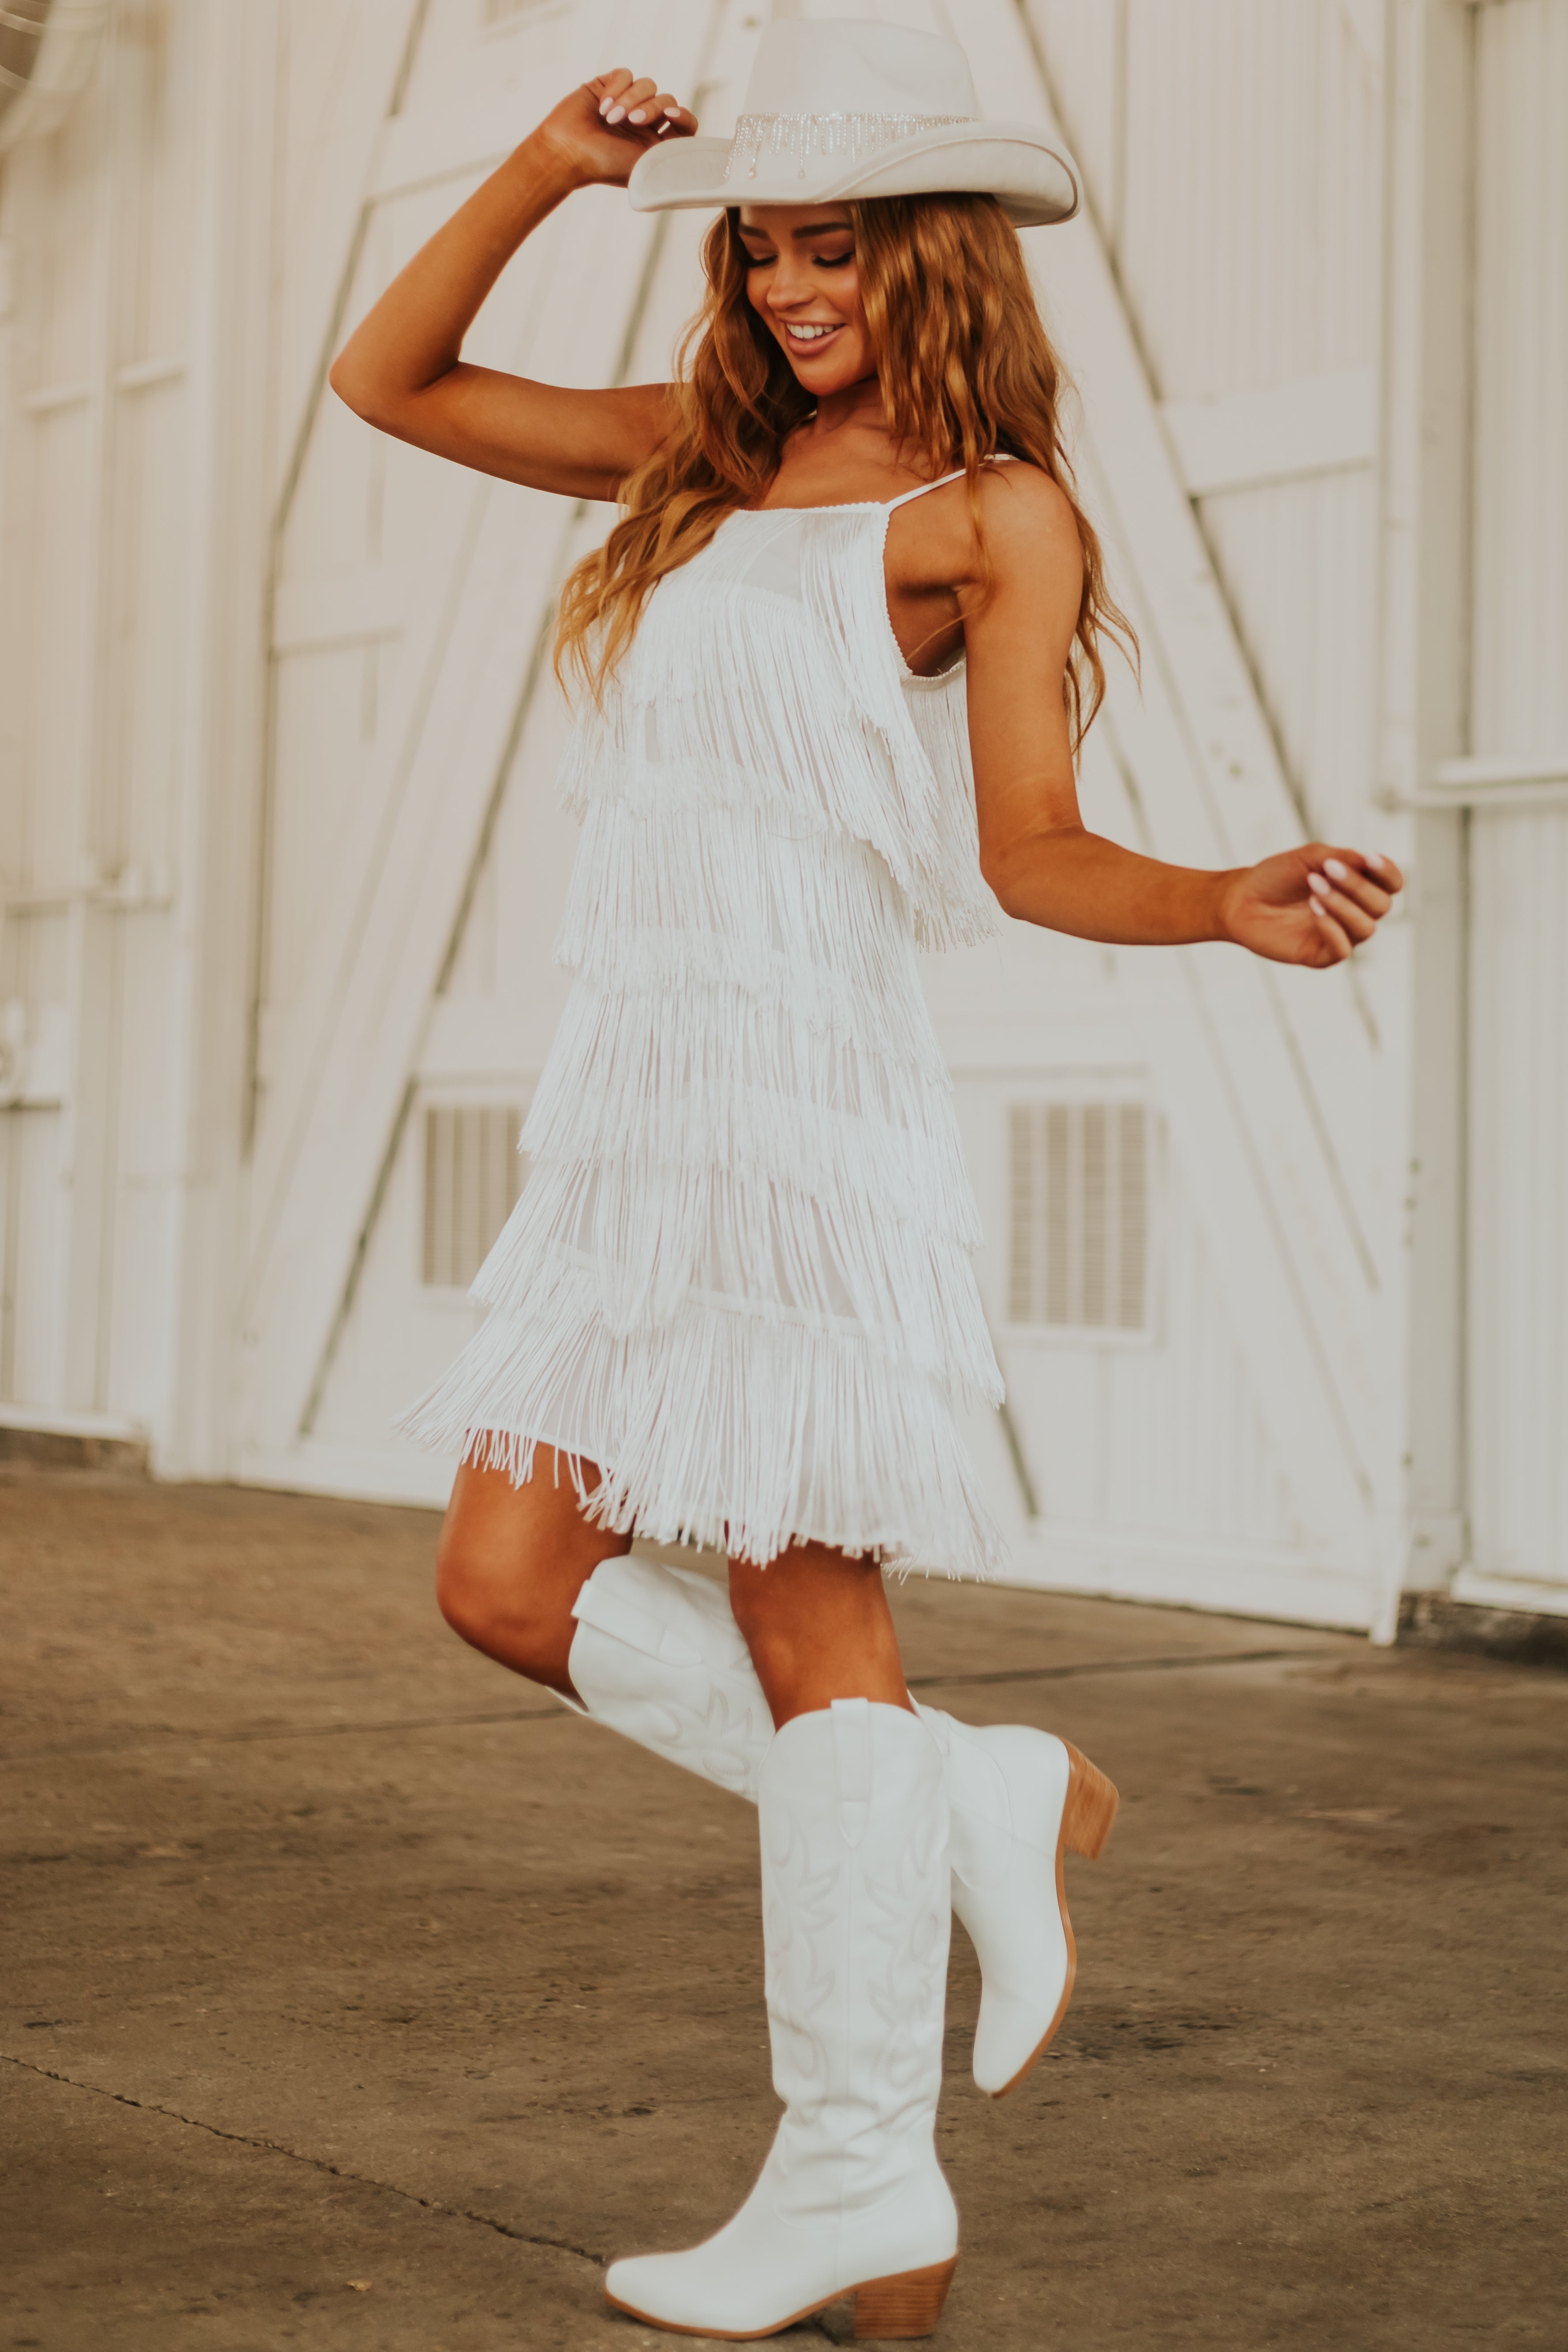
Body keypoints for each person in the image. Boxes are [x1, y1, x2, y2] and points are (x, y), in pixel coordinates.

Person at [329, 19, 1402, 2340]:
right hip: (626, 1119)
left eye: (833, 247)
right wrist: (540, 164)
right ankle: (966, 1790)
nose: (794, 285)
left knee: (816, 1633)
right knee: (510, 1582)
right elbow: (386, 380)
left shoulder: (988, 510)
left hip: (799, 1121)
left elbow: (1029, 851)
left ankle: (857, 2186)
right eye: (763, 245)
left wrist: (1217, 892)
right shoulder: (703, 458)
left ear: (925, 258)